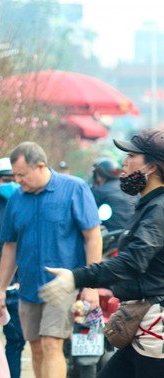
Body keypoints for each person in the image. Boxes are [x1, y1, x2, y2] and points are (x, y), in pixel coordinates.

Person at [40, 128, 164, 378]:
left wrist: (77, 278)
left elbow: (132, 263)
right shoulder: (148, 205)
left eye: (131, 156)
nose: (124, 163)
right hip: (138, 325)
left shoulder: (158, 210)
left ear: (150, 167)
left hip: (154, 328)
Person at [0, 141, 102, 378]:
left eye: (22, 175)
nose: (18, 181)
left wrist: (91, 285)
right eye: (15, 176)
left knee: (52, 343)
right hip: (29, 286)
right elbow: (10, 246)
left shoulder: (74, 189)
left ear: (40, 166)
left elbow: (92, 236)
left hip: (63, 285)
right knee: (36, 348)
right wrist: (1, 289)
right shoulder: (16, 199)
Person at [0, 157, 26, 378]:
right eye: (5, 180)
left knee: (16, 341)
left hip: (17, 285)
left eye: (14, 179)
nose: (11, 184)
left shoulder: (24, 205)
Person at [91, 157, 136, 231]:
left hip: (109, 236)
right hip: (132, 234)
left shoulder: (99, 191)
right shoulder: (132, 189)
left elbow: (90, 218)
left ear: (99, 176)